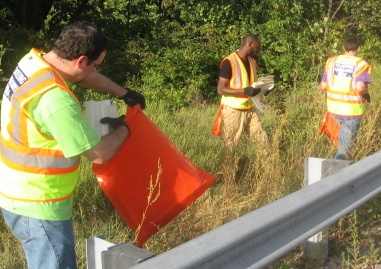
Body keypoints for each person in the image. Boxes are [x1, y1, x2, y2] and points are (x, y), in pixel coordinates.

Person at [0, 21, 145, 269]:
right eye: (95, 65)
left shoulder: (34, 63)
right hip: (39, 202)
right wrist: (125, 128)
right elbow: (98, 154)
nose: (95, 71)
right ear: (81, 61)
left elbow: (81, 77)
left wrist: (123, 93)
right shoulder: (56, 100)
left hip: (17, 191)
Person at [320, 36, 371, 160]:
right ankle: (338, 174)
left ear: (343, 47)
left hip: (333, 110)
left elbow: (323, 86)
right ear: (358, 48)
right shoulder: (360, 64)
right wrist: (366, 93)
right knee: (344, 150)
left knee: (341, 143)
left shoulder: (332, 61)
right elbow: (360, 87)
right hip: (351, 112)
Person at [217, 33, 269, 154]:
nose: (258, 50)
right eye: (257, 47)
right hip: (233, 111)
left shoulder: (252, 62)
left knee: (263, 142)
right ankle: (228, 173)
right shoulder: (229, 62)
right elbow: (220, 89)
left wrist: (263, 90)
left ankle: (269, 171)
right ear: (249, 44)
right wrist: (244, 91)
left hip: (249, 109)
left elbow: (252, 86)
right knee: (230, 148)